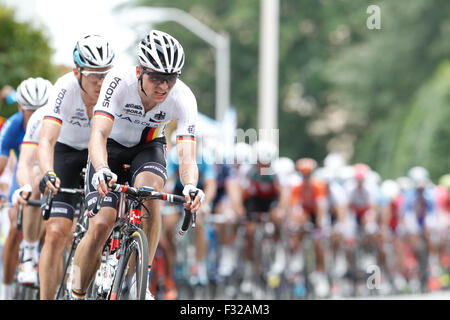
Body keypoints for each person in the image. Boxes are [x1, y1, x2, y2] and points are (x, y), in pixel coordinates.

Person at [71, 30, 205, 300]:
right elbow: (97, 134)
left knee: (151, 194)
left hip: (147, 149)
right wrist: (101, 169)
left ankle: (139, 278)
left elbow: (188, 155)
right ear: (139, 71)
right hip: (109, 148)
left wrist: (191, 185)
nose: (164, 87)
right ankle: (76, 292)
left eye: (170, 78)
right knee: (101, 224)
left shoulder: (184, 97)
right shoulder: (118, 82)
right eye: (156, 77)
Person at [37, 34, 115, 300]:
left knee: (103, 226)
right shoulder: (64, 88)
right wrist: (48, 171)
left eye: (106, 74)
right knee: (58, 230)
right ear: (76, 72)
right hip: (67, 154)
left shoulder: (114, 89)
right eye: (94, 75)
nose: (101, 82)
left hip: (103, 153)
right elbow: (46, 139)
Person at [0, 77, 52, 299]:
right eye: (30, 111)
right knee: (14, 228)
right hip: (24, 173)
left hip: (49, 173)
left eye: (41, 110)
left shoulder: (55, 121)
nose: (35, 116)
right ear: (21, 107)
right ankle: (7, 290)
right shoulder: (13, 124)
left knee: (53, 231)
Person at [161, 133, 217, 299]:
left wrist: (206, 204)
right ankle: (174, 261)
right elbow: (167, 183)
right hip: (179, 193)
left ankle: (199, 263)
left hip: (197, 192)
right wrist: (165, 201)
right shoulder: (173, 157)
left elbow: (211, 184)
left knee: (198, 222)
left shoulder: (206, 158)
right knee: (169, 225)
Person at [289, 157, 329, 297]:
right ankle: (297, 256)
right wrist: (294, 223)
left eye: (308, 175)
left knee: (318, 243)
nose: (306, 178)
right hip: (304, 214)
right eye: (303, 175)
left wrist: (320, 224)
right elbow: (294, 207)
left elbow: (321, 206)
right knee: (296, 229)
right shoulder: (296, 187)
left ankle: (321, 274)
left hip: (315, 214)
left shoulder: (318, 186)